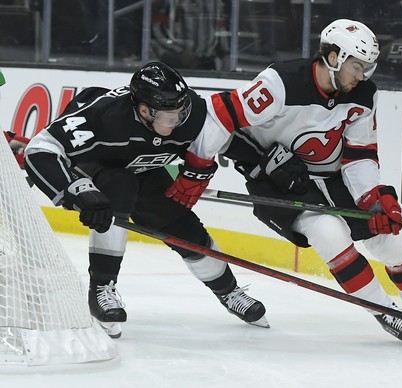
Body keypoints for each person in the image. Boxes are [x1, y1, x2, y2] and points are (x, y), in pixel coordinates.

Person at [178, 19, 402, 345]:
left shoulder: (362, 94)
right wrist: (196, 167)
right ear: (333, 57)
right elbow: (221, 112)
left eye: (367, 68)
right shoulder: (280, 83)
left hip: (332, 177)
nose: (362, 76)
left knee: (390, 240)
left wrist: (371, 197)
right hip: (276, 178)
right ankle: (385, 311)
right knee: (329, 233)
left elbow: (360, 154)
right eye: (357, 67)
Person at [23, 61, 269, 338]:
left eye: (180, 111)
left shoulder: (190, 114)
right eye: (168, 115)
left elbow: (227, 141)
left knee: (182, 227)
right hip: (96, 171)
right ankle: (102, 287)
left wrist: (265, 163)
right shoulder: (104, 116)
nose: (176, 121)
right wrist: (76, 189)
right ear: (143, 110)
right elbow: (40, 149)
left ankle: (229, 291)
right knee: (119, 187)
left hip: (143, 171)